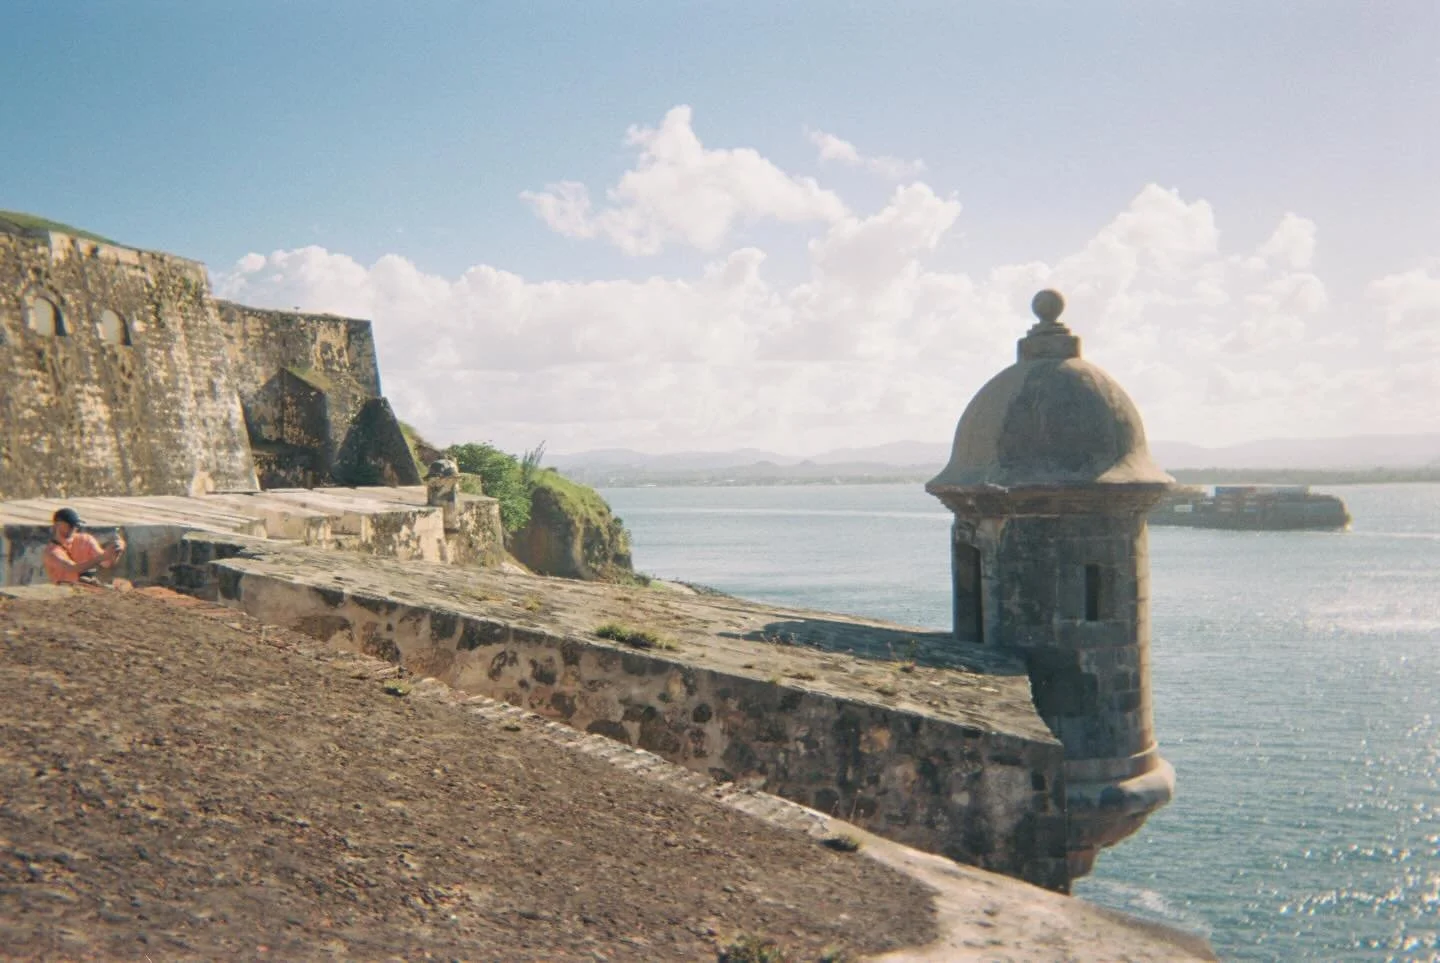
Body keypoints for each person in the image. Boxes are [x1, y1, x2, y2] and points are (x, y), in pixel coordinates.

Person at [42, 507, 126, 585]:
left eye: (76, 525)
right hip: (63, 590)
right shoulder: (51, 552)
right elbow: (73, 568)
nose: (73, 528)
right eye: (70, 524)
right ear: (57, 525)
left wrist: (116, 551)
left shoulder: (86, 540)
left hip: (86, 588)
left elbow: (106, 563)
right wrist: (103, 557)